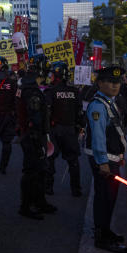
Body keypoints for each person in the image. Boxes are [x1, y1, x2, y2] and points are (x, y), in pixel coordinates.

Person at [84, 66, 127, 253]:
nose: (115, 85)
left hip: (111, 158)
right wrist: (103, 162)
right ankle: (102, 237)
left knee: (109, 198)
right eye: (110, 82)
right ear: (100, 83)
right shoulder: (98, 105)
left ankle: (106, 230)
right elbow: (98, 136)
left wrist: (119, 156)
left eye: (117, 82)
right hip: (103, 160)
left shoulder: (109, 102)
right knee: (104, 198)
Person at [15, 54, 57, 220]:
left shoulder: (25, 85)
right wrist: (38, 136)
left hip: (31, 134)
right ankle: (26, 206)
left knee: (40, 170)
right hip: (33, 135)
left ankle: (40, 201)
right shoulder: (31, 90)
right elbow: (35, 116)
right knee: (32, 171)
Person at [44, 62, 84, 197]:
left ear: (56, 75)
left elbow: (47, 112)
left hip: (55, 130)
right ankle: (76, 189)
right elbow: (80, 112)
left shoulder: (51, 91)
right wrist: (80, 127)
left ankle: (48, 188)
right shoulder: (74, 91)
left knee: (50, 159)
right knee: (73, 161)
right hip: (70, 130)